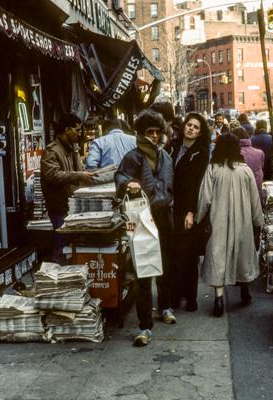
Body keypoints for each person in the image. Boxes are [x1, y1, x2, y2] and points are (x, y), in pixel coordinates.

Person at [115, 109, 176, 347]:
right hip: (141, 217)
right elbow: (119, 177)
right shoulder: (132, 157)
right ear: (140, 133)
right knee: (143, 270)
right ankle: (144, 326)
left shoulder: (167, 157)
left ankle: (165, 306)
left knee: (166, 266)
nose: (153, 136)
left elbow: (173, 186)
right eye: (149, 131)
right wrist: (127, 183)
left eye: (156, 131)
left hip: (164, 216)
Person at [196, 134, 265, 317]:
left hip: (217, 220)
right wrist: (258, 222)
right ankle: (244, 290)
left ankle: (218, 298)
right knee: (243, 255)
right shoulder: (246, 170)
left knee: (217, 257)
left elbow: (205, 198)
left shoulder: (213, 169)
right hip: (243, 221)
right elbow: (255, 200)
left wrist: (198, 218)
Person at [170, 112, 211, 311]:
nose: (191, 129)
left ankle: (191, 298)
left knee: (189, 255)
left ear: (199, 132)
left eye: (195, 127)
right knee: (175, 255)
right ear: (184, 126)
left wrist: (191, 212)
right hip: (171, 206)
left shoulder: (201, 153)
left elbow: (197, 185)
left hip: (188, 209)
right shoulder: (173, 147)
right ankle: (176, 295)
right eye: (189, 125)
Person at [41, 114, 95, 262]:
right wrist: (79, 175)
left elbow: (79, 170)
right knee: (62, 248)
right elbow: (52, 175)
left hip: (72, 206)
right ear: (67, 130)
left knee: (71, 247)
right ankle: (58, 277)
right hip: (60, 208)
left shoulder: (72, 148)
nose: (79, 133)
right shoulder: (51, 151)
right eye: (77, 130)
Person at [231, 127, 264, 200]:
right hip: (256, 189)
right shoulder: (260, 153)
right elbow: (261, 167)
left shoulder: (233, 154)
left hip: (239, 192)